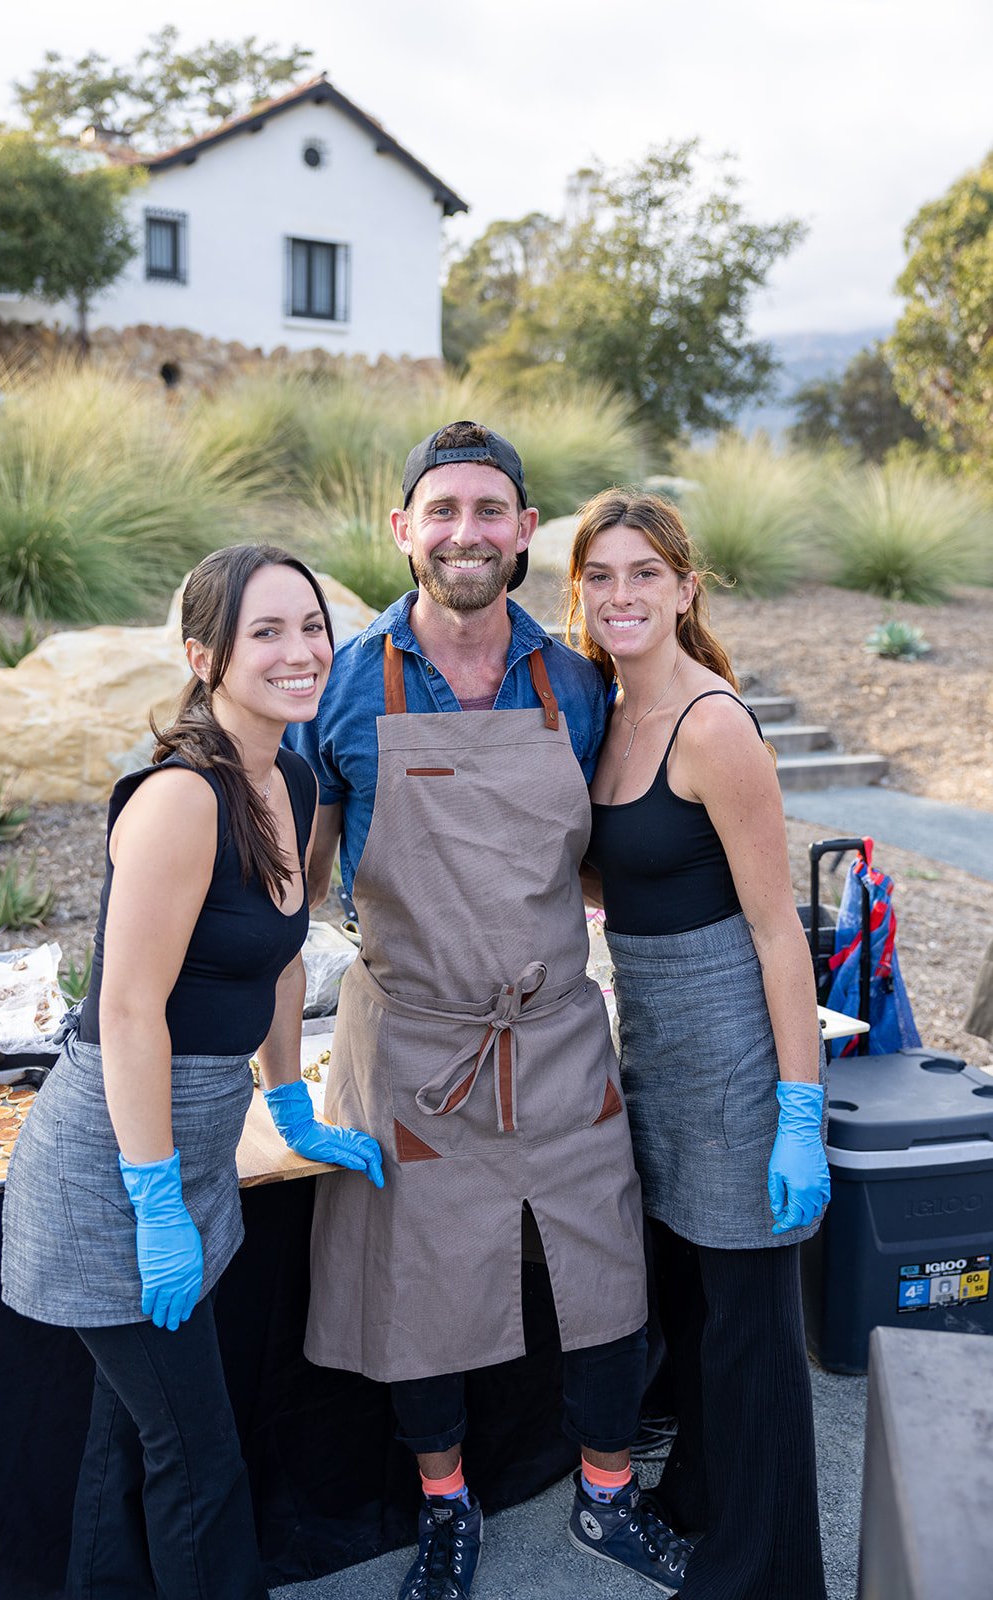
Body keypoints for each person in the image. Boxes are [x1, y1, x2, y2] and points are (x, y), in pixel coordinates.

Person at [288, 424, 692, 1599]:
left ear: (523, 533)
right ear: (403, 529)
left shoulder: (573, 681)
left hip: (555, 1028)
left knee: (606, 1269)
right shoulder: (344, 684)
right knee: (424, 1286)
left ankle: (606, 1500)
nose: (465, 532)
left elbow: (593, 856)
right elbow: (299, 885)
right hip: (410, 1040)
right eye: (441, 509)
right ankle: (445, 1511)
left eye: (489, 510)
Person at [1, 544, 383, 1600]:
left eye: (310, 626)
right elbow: (126, 1012)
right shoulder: (179, 798)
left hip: (195, 1147)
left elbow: (279, 955)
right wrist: (154, 1196)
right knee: (198, 1460)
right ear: (204, 656)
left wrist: (290, 1104)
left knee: (129, 1440)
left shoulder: (293, 777)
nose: (300, 649)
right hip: (111, 1165)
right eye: (266, 631)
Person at [569, 488, 830, 1600]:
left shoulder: (710, 724)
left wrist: (799, 1114)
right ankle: (700, 1504)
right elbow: (611, 870)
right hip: (652, 1048)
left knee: (746, 1335)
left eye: (642, 574)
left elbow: (779, 931)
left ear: (684, 588)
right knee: (690, 1310)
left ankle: (761, 1571)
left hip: (730, 1049)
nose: (619, 595)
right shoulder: (603, 705)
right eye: (599, 576)